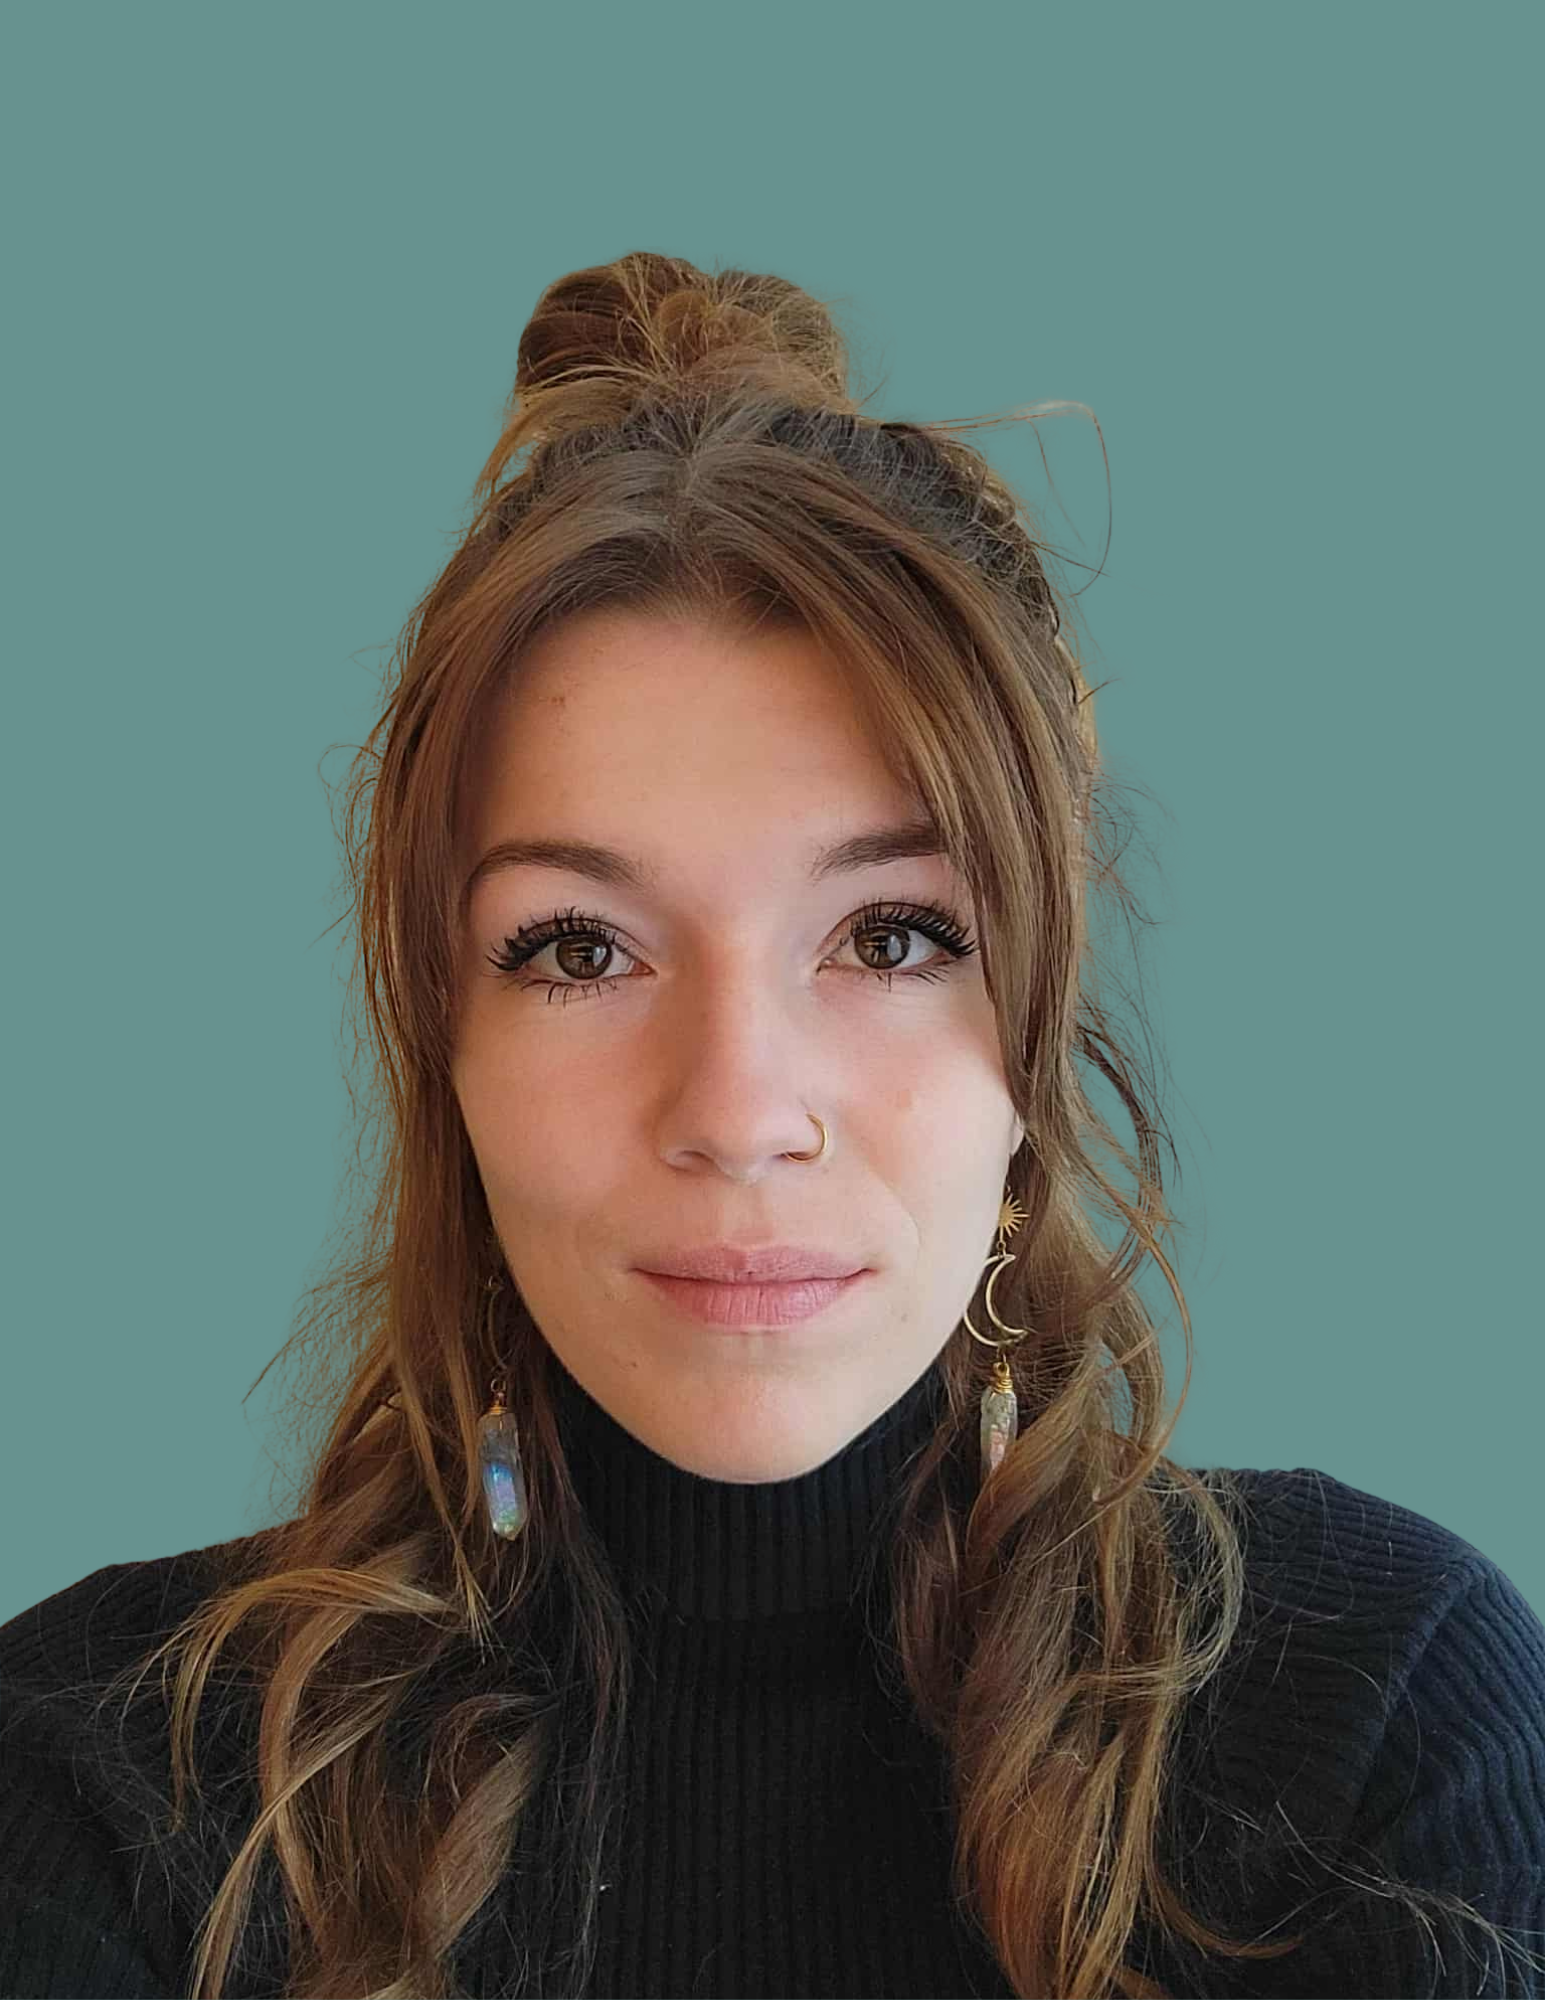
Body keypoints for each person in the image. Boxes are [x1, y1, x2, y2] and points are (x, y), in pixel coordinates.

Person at [1, 250, 1542, 2000]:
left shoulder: (1380, 1727)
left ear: (1037, 1024)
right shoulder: (101, 1791)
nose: (738, 1112)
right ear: (444, 1044)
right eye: (579, 950)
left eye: (891, 937)